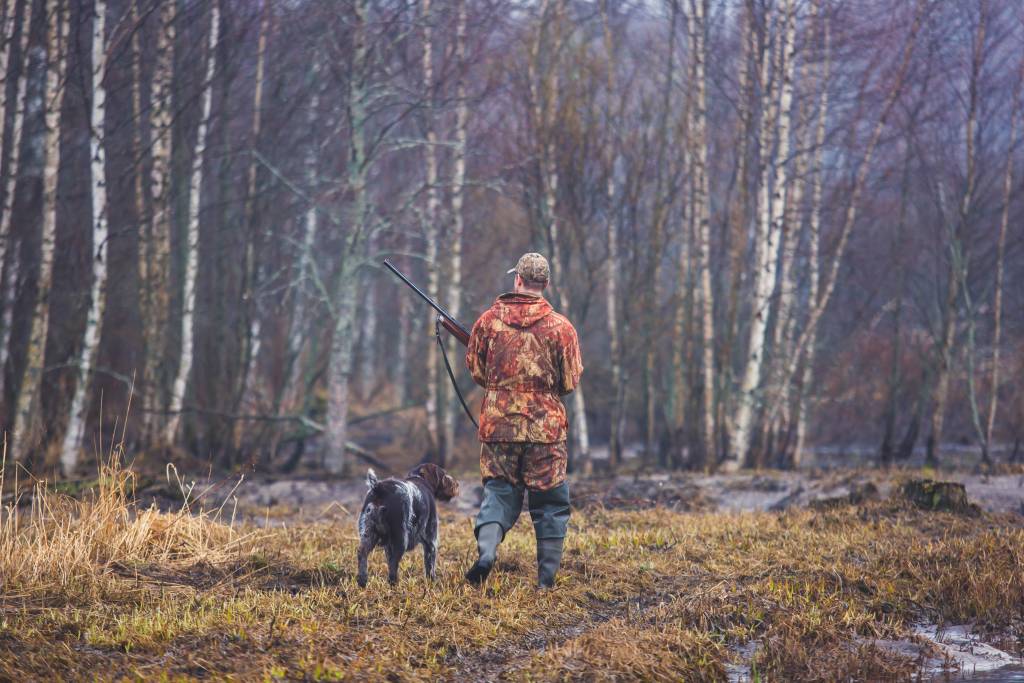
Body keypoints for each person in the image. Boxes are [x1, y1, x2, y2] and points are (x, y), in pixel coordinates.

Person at [463, 252, 583, 588]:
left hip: (499, 426)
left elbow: (477, 371)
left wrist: (503, 388)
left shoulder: (487, 322)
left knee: (499, 493)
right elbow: (569, 382)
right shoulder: (562, 328)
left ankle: (487, 553)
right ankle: (545, 582)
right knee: (550, 503)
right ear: (545, 283)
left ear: (517, 279)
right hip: (546, 431)